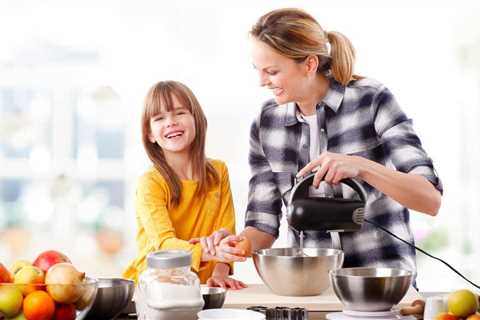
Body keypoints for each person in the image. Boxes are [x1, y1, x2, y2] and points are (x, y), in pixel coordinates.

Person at [212, 8, 443, 276]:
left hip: (378, 285)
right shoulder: (266, 123)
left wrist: (361, 167)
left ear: (309, 64)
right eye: (258, 70)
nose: (262, 81)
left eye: (272, 71)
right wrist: (239, 245)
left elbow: (430, 199)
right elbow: (262, 224)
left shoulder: (371, 100)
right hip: (308, 287)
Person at [123, 80, 246, 289]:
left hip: (201, 288)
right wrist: (211, 252)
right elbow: (163, 245)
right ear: (150, 134)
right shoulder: (150, 183)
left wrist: (220, 272)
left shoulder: (219, 172)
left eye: (179, 113)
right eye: (159, 118)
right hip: (152, 289)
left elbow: (227, 233)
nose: (170, 122)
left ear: (196, 119)